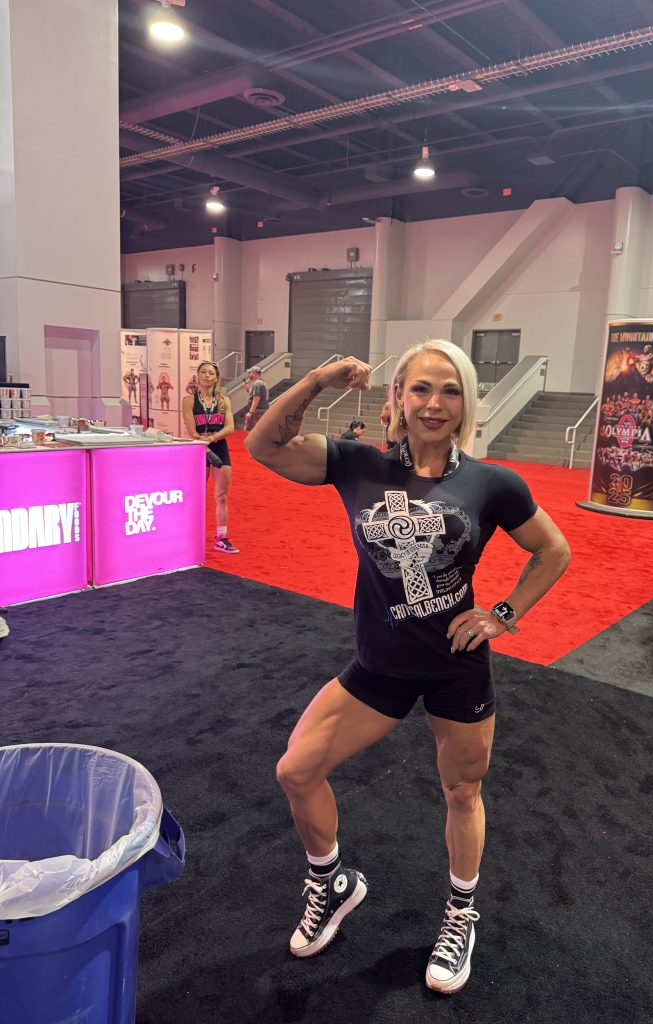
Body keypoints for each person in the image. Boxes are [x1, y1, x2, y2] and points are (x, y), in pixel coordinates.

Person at [245, 340, 570, 994]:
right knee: (296, 770)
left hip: (456, 666)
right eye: (421, 388)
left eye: (450, 391)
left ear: (466, 403)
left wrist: (503, 614)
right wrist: (317, 378)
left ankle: (460, 914)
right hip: (381, 665)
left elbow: (553, 550)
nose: (434, 404)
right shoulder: (357, 464)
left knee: (462, 792)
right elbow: (262, 445)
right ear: (398, 395)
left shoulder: (492, 483)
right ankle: (331, 882)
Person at [181, 360, 239, 553]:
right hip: (199, 449)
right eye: (203, 372)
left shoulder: (224, 401)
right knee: (197, 495)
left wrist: (212, 438)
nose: (207, 375)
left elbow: (230, 427)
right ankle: (189, 535)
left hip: (219, 446)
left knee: (221, 496)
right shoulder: (189, 401)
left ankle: (222, 538)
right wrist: (203, 442)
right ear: (197, 376)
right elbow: (191, 429)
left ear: (216, 378)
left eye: (211, 373)